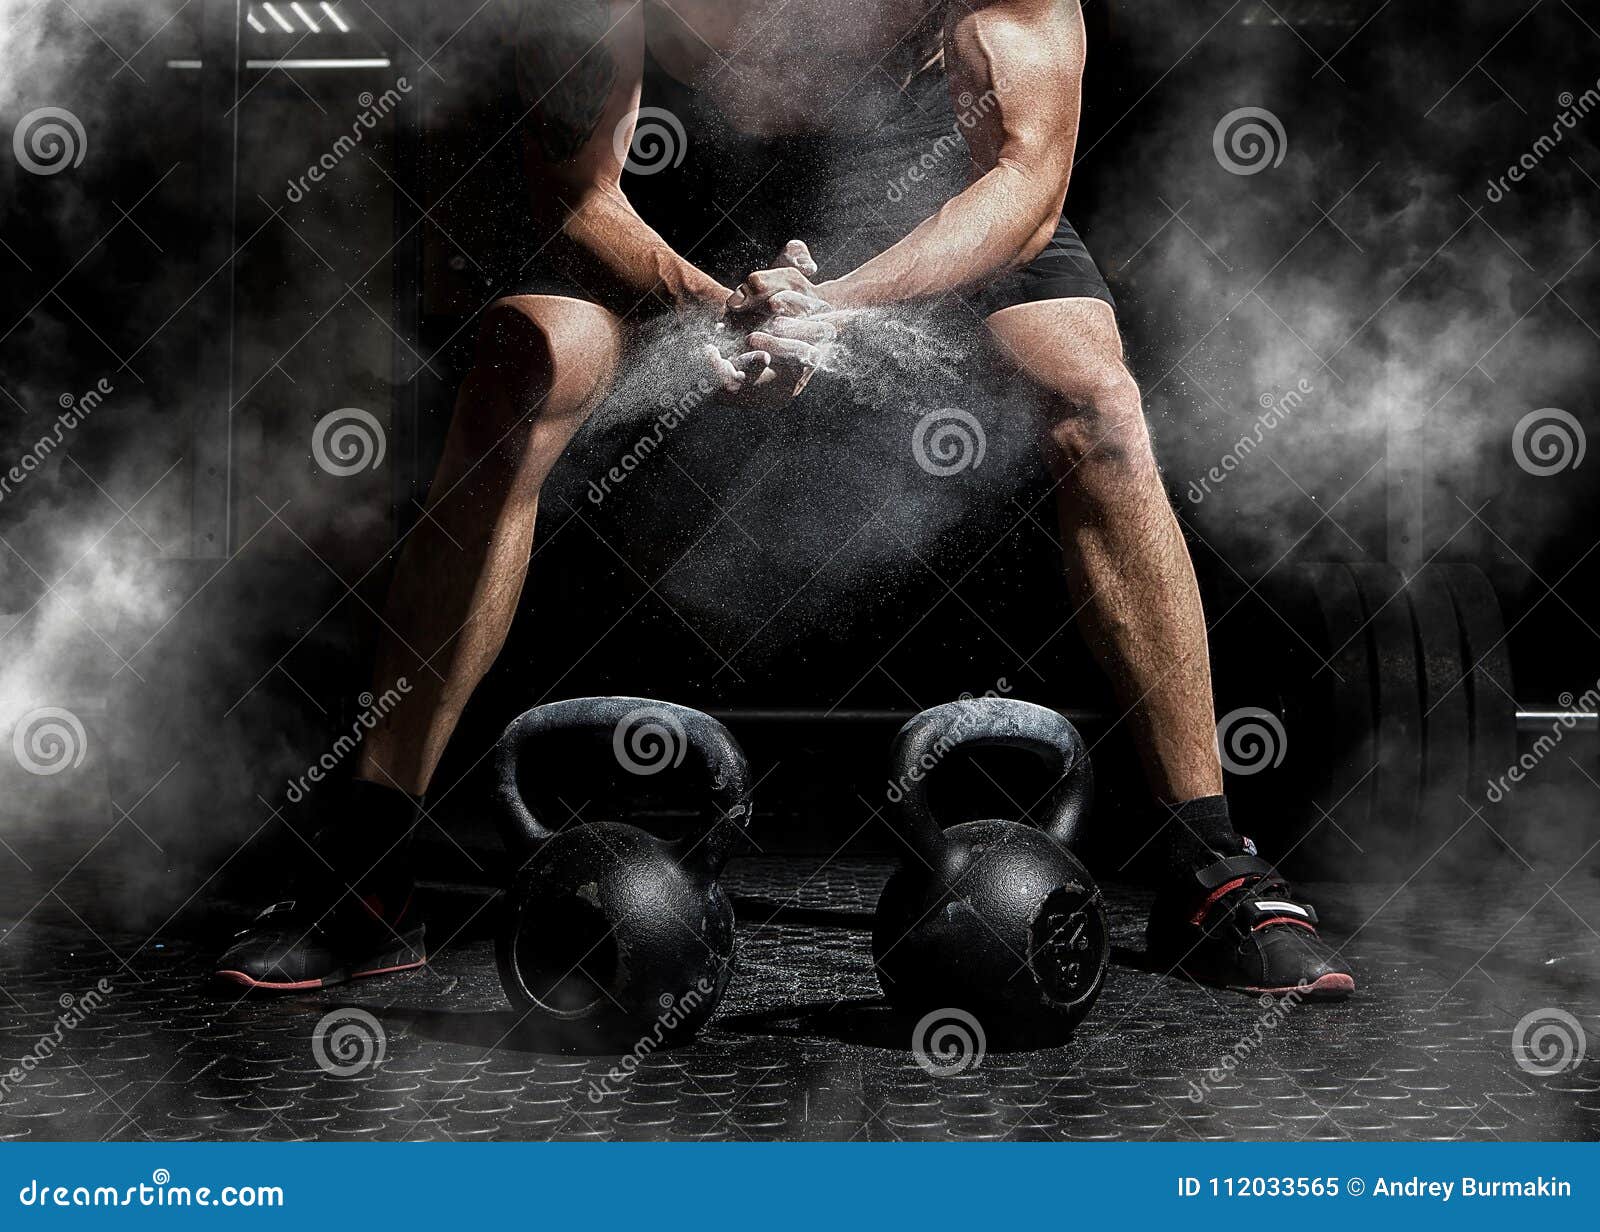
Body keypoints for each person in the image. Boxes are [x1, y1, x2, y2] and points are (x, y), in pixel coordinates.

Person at [216, 0, 1354, 999]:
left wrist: (835, 308)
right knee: (523, 364)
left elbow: (1025, 184)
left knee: (1093, 393)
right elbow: (575, 188)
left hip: (926, 214)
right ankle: (366, 864)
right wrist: (716, 304)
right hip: (667, 208)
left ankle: (1211, 865)